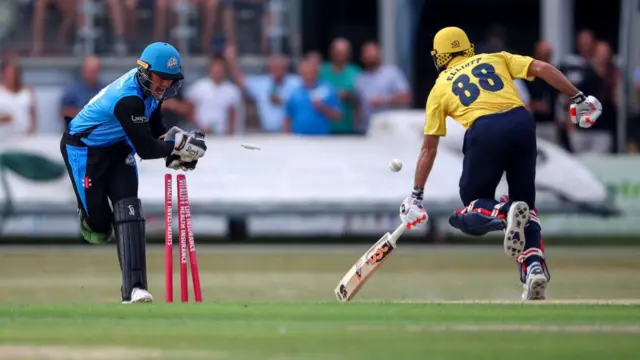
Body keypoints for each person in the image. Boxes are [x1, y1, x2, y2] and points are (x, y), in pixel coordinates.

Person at [399, 27, 603, 301]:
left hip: (485, 130)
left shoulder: (439, 88)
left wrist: (416, 195)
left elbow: (429, 148)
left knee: (471, 206)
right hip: (521, 123)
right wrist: (579, 97)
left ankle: (504, 213)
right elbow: (542, 68)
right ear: (468, 47)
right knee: (526, 207)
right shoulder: (495, 58)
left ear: (440, 56)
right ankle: (533, 269)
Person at [59, 42, 207, 304]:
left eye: (170, 81)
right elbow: (148, 149)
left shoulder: (154, 93)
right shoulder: (128, 99)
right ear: (145, 72)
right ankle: (88, 213)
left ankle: (135, 289)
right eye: (161, 78)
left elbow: (155, 131)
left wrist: (176, 149)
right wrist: (177, 146)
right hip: (84, 149)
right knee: (98, 230)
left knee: (129, 209)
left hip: (119, 149)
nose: (164, 86)